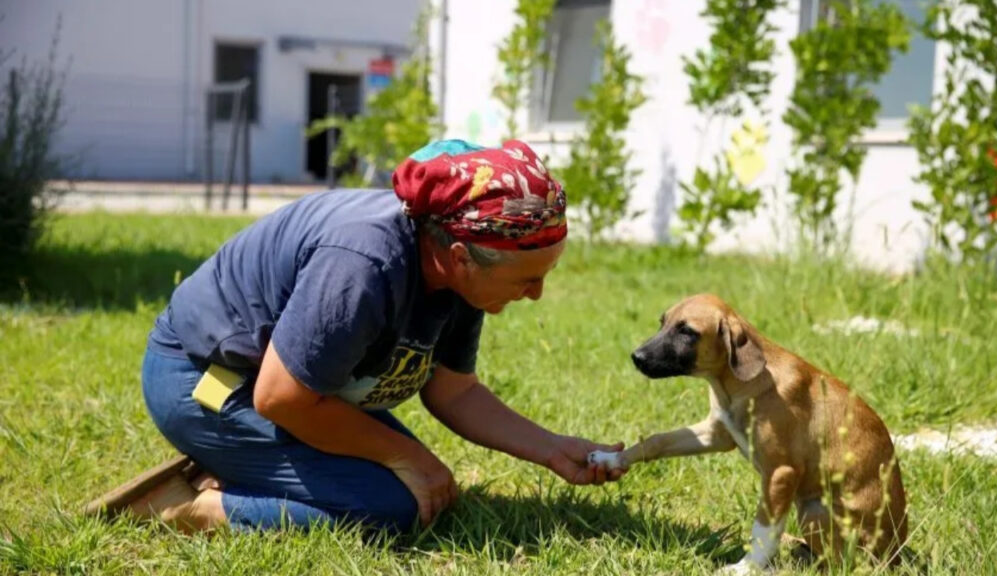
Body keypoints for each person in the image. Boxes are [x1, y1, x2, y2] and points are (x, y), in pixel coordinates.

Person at [90, 139, 625, 533]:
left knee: (423, 493)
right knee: (389, 507)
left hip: (288, 387)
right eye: (527, 279)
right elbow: (279, 396)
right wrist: (409, 458)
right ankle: (187, 507)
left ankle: (237, 464)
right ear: (460, 257)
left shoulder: (459, 265)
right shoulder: (362, 263)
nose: (535, 295)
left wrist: (553, 450)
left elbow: (453, 391)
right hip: (206, 380)